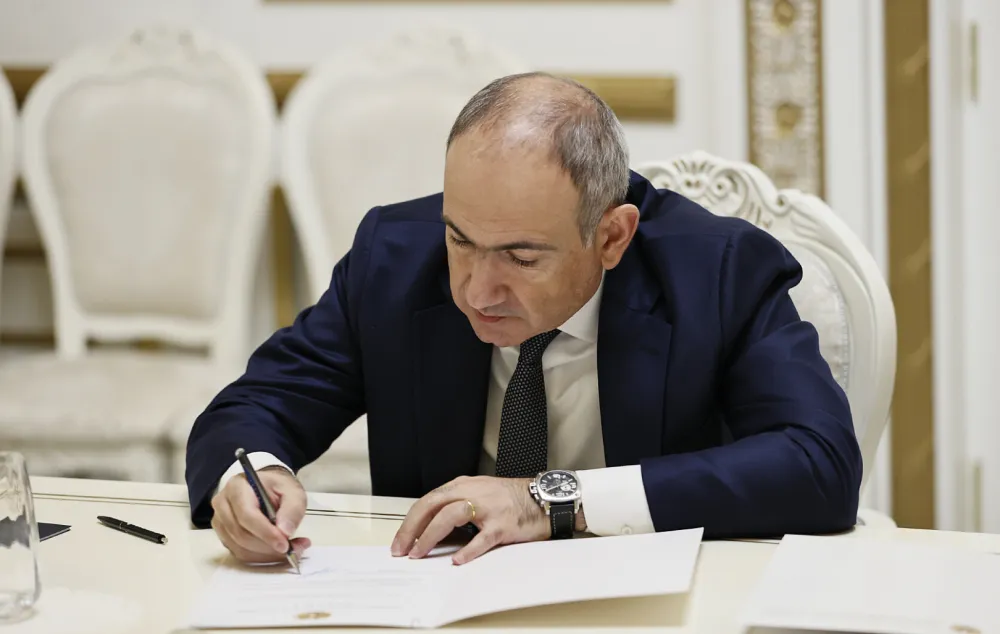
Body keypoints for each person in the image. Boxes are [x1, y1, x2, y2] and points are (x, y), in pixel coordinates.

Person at [185, 72, 862, 567]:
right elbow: (252, 409)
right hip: (445, 600)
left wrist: (549, 502)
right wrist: (251, 480)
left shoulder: (719, 272)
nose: (477, 290)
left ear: (612, 237)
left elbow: (819, 464)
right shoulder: (393, 260)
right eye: (460, 240)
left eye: (521, 256)